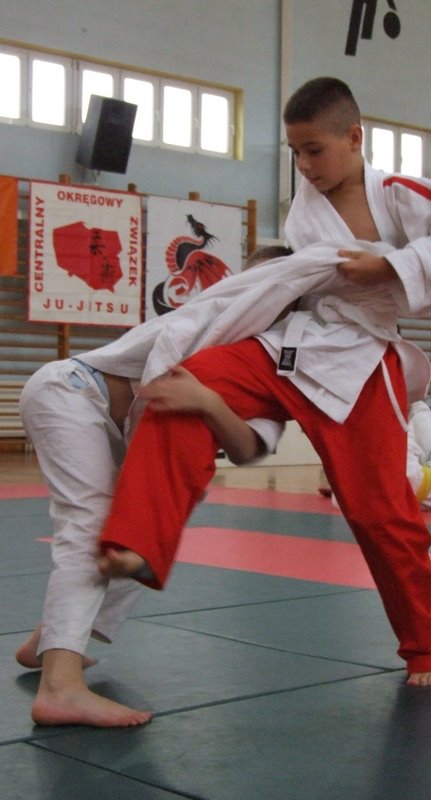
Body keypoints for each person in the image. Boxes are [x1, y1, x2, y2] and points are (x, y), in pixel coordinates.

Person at [96, 76, 431, 690]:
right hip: (295, 343)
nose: (305, 165)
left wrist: (391, 264)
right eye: (295, 153)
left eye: (315, 150)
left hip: (361, 359)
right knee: (188, 382)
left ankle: (427, 647)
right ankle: (140, 540)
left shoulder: (397, 193)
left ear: (355, 137)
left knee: (380, 513)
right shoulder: (303, 208)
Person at [16, 271, 284, 728]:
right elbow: (159, 387)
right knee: (91, 524)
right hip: (74, 392)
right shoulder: (217, 320)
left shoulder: (281, 367)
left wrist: (209, 404)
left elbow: (247, 448)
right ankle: (60, 686)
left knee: (139, 537)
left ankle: (48, 642)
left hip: (117, 427)